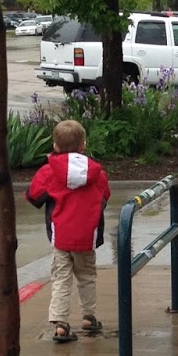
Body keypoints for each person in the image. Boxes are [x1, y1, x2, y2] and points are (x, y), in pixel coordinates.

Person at [26, 118, 112, 343]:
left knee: (61, 278)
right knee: (87, 276)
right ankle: (89, 317)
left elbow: (33, 196)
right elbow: (104, 197)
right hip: (87, 237)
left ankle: (60, 324)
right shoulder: (97, 173)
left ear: (55, 146)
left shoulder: (48, 172)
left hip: (61, 238)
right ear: (83, 145)